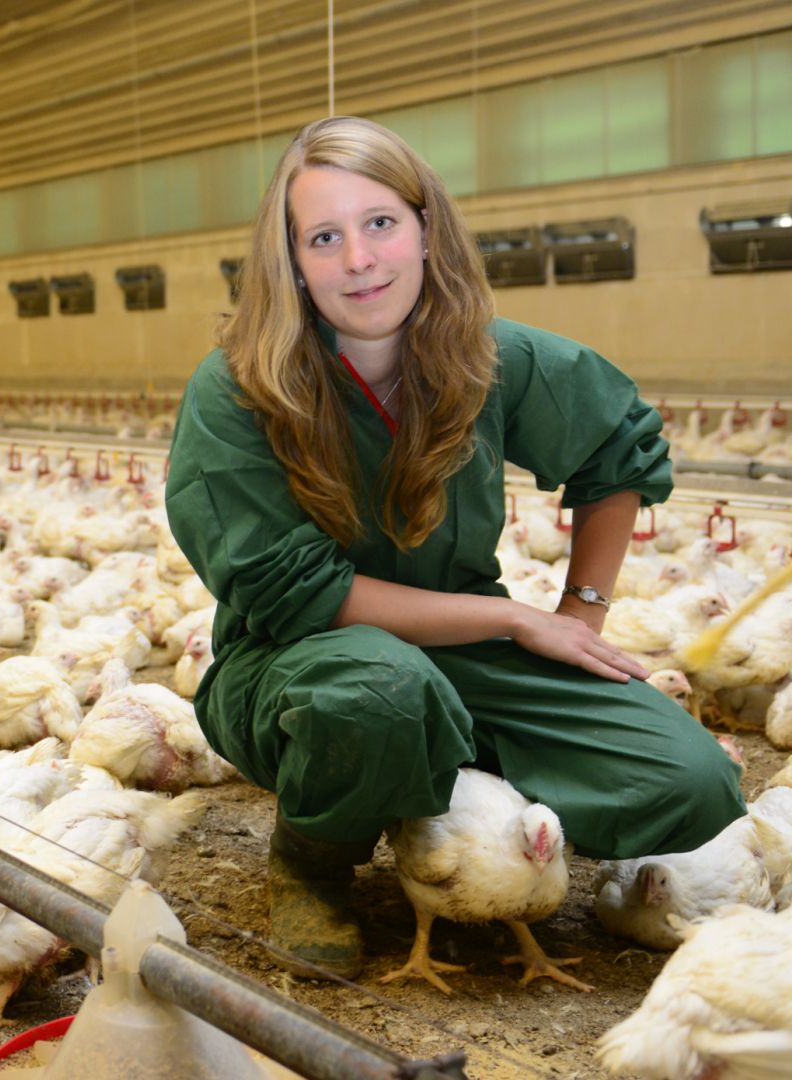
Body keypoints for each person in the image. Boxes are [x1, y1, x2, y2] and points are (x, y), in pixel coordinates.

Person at [163, 116, 744, 981]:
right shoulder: (242, 387)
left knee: (690, 777)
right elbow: (292, 588)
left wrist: (580, 611)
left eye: (381, 223)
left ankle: (446, 784)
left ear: (426, 227)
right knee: (379, 695)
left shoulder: (484, 355)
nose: (359, 258)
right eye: (324, 237)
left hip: (464, 654)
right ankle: (314, 863)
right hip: (297, 666)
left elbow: (617, 443)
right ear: (291, 263)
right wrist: (512, 617)